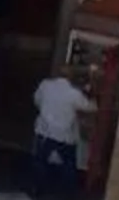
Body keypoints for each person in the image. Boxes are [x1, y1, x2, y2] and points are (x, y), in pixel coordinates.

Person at [30, 62, 92, 193]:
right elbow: (89, 107)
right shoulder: (74, 93)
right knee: (68, 163)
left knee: (40, 160)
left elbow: (37, 100)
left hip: (44, 130)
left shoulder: (45, 85)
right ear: (71, 76)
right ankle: (69, 191)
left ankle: (37, 187)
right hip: (64, 134)